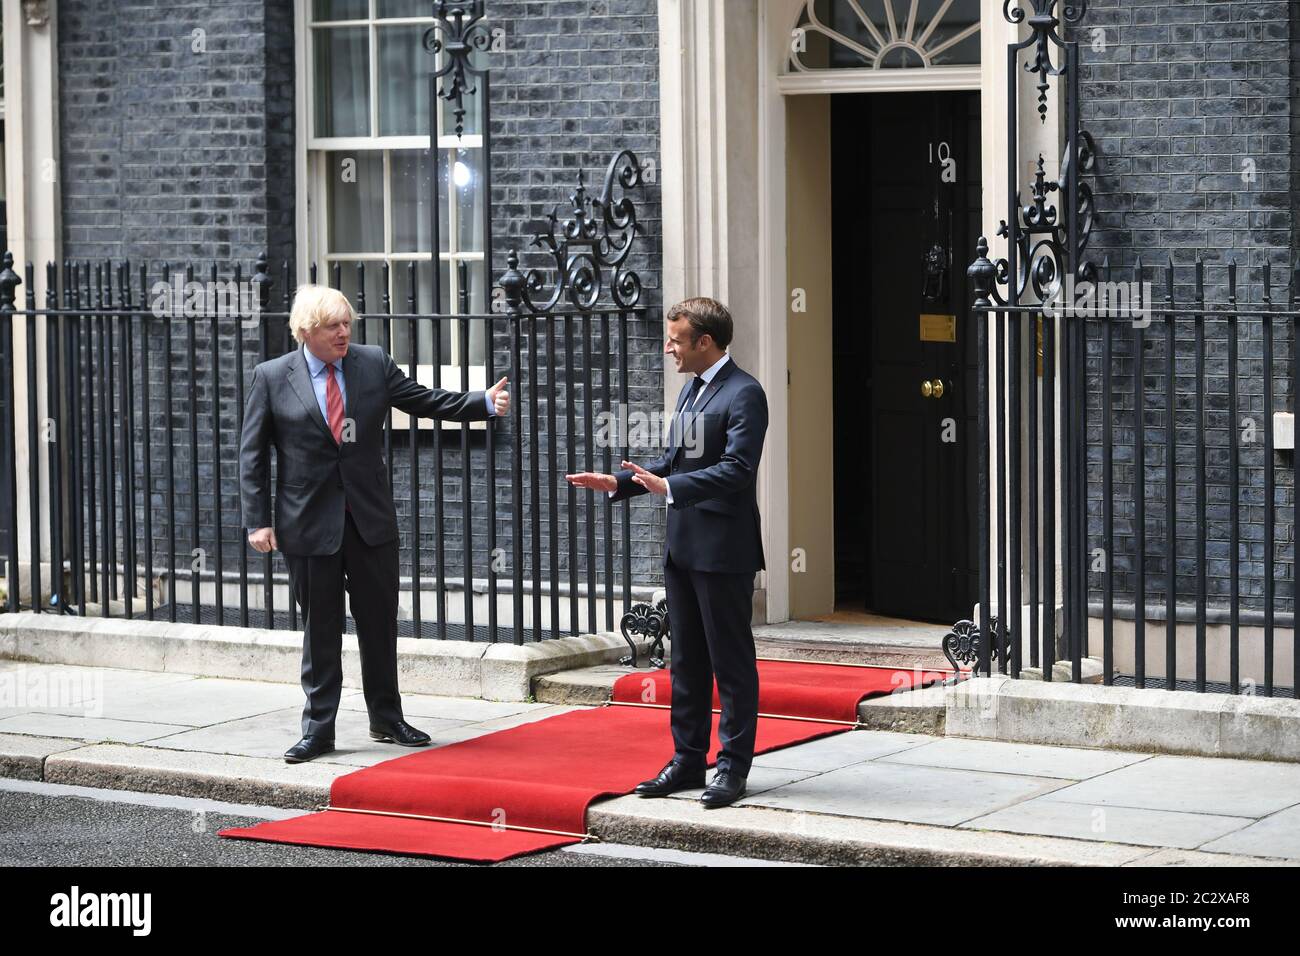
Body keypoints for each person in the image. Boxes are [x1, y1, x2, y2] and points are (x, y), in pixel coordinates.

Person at [239, 285, 510, 764]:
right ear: (307, 331)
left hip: (368, 522)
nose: (344, 333)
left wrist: (480, 404)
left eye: (347, 323)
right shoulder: (272, 376)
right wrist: (257, 521)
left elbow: (423, 401)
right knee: (320, 629)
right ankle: (318, 729)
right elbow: (252, 454)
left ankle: (387, 718)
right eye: (333, 326)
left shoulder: (372, 362)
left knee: (379, 625)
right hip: (307, 526)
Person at [566, 297, 768, 808]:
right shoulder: (690, 392)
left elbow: (737, 470)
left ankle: (732, 768)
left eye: (677, 339)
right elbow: (670, 462)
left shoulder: (745, 394)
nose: (668, 347)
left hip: (723, 549)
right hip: (683, 548)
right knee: (687, 662)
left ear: (705, 342)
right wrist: (622, 481)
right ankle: (686, 761)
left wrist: (670, 486)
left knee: (731, 663)